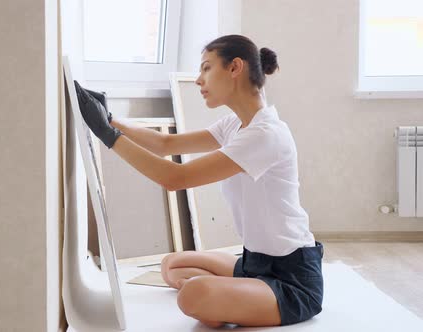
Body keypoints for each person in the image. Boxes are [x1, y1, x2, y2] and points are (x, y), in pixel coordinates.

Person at [74, 34, 323, 328]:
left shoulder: (266, 134)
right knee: (171, 266)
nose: (198, 79)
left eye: (206, 68)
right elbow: (165, 144)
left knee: (192, 294)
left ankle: (232, 299)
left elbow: (174, 178)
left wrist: (106, 135)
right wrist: (111, 118)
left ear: (235, 68)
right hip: (254, 264)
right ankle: (237, 297)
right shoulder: (236, 124)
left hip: (291, 279)